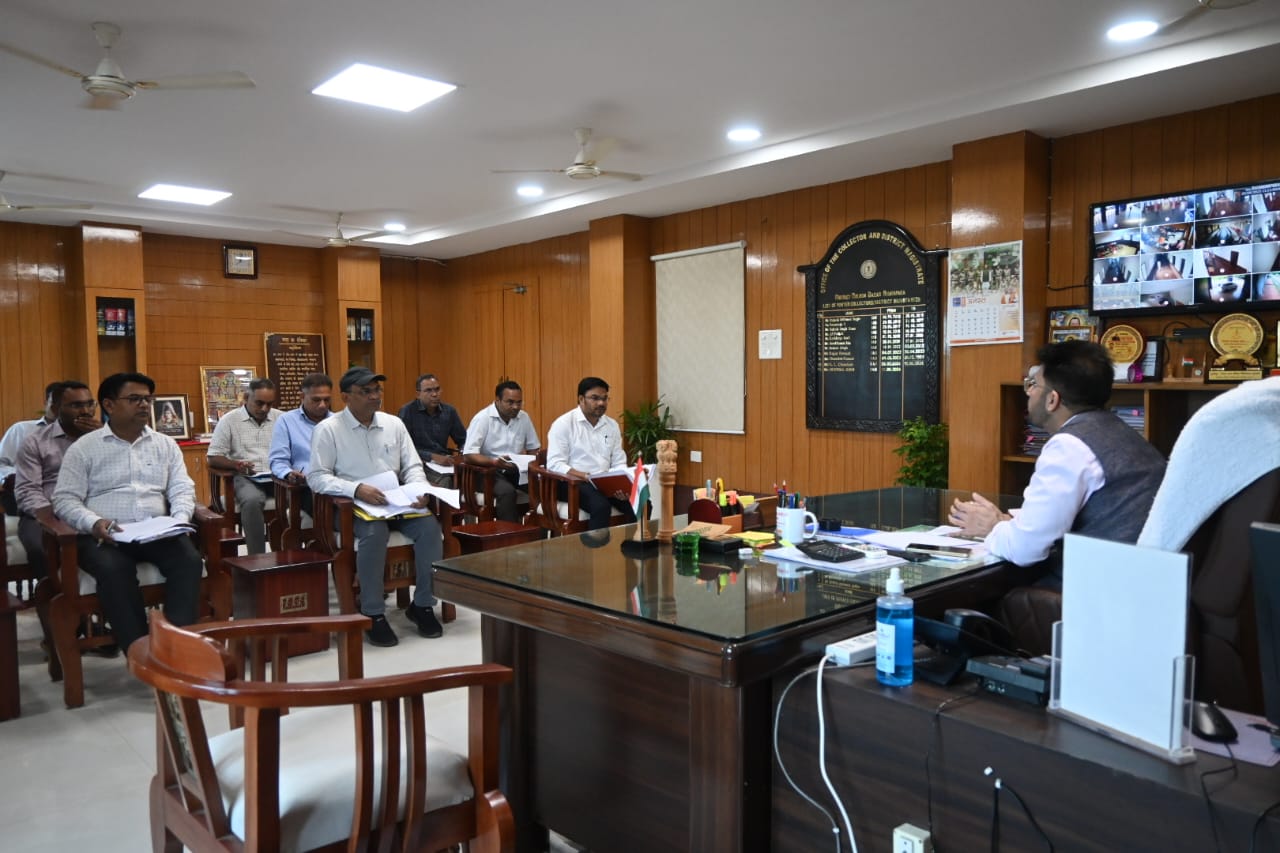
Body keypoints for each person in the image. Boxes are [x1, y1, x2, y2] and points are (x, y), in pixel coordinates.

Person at [947, 340, 1166, 587]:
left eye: (1033, 384)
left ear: (1052, 400)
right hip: (1142, 581)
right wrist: (1009, 523)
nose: (1028, 392)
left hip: (1095, 590)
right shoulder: (1122, 432)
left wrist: (993, 526)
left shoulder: (1069, 447)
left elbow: (1024, 550)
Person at [51, 372, 204, 653]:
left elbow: (182, 488)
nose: (144, 405)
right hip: (104, 535)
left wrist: (179, 520)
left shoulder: (165, 444)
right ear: (109, 405)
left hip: (156, 531)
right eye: (134, 399)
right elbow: (64, 499)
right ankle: (139, 650)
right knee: (114, 570)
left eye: (147, 399)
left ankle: (174, 646)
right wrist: (93, 522)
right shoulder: (84, 448)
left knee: (189, 561)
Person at [307, 367, 444, 646]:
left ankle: (422, 605)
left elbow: (412, 466)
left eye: (376, 390)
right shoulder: (329, 430)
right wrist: (357, 489)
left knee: (430, 528)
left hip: (395, 501)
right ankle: (373, 612)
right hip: (351, 506)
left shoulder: (394, 424)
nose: (374, 396)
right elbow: (317, 477)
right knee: (375, 532)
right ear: (345, 397)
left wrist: (419, 488)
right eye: (365, 392)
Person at [13, 381, 100, 579]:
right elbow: (27, 490)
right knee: (41, 548)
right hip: (46, 512)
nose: (86, 411)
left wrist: (100, 438)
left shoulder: (105, 438)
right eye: (76, 405)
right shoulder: (36, 442)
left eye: (90, 404)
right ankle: (55, 594)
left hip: (93, 508)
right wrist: (55, 515)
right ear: (55, 409)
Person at [545, 376, 636, 531]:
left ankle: (631, 544)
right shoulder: (563, 424)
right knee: (600, 506)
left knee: (641, 503)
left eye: (604, 398)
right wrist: (585, 476)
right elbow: (554, 464)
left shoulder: (611, 425)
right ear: (581, 399)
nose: (601, 403)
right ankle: (596, 547)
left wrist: (621, 483)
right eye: (595, 398)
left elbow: (618, 460)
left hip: (605, 482)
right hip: (573, 483)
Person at [207, 378, 279, 554]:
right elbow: (213, 457)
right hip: (245, 476)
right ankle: (258, 558)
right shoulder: (229, 421)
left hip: (277, 475)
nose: (265, 409)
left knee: (305, 495)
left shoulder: (281, 418)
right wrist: (236, 464)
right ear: (246, 398)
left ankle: (291, 555)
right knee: (252, 500)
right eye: (259, 403)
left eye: (269, 404)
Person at [462, 380, 541, 522]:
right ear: (497, 400)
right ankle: (509, 534)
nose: (515, 407)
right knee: (507, 492)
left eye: (519, 402)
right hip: (487, 471)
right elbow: (469, 454)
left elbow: (533, 449)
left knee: (542, 488)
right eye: (510, 402)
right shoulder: (483, 418)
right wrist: (494, 462)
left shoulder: (524, 417)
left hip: (515, 469)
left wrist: (530, 464)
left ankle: (536, 534)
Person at [267, 372, 334, 515]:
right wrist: (288, 473)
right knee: (329, 507)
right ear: (302, 397)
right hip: (304, 487)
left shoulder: (337, 422)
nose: (322, 405)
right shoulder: (286, 421)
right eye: (316, 400)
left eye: (327, 400)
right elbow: (277, 461)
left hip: (337, 483)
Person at [397, 373, 466, 486]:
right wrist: (432, 457)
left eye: (437, 389)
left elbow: (463, 439)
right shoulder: (407, 411)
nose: (434, 394)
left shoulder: (449, 411)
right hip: (419, 462)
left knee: (472, 475)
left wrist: (464, 453)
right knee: (446, 481)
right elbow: (403, 448)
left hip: (445, 462)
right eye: (428, 390)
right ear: (418, 394)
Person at [0, 381, 65, 492]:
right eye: (55, 402)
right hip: (22, 489)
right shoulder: (21, 429)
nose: (58, 407)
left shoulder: (79, 435)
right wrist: (20, 477)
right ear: (46, 402)